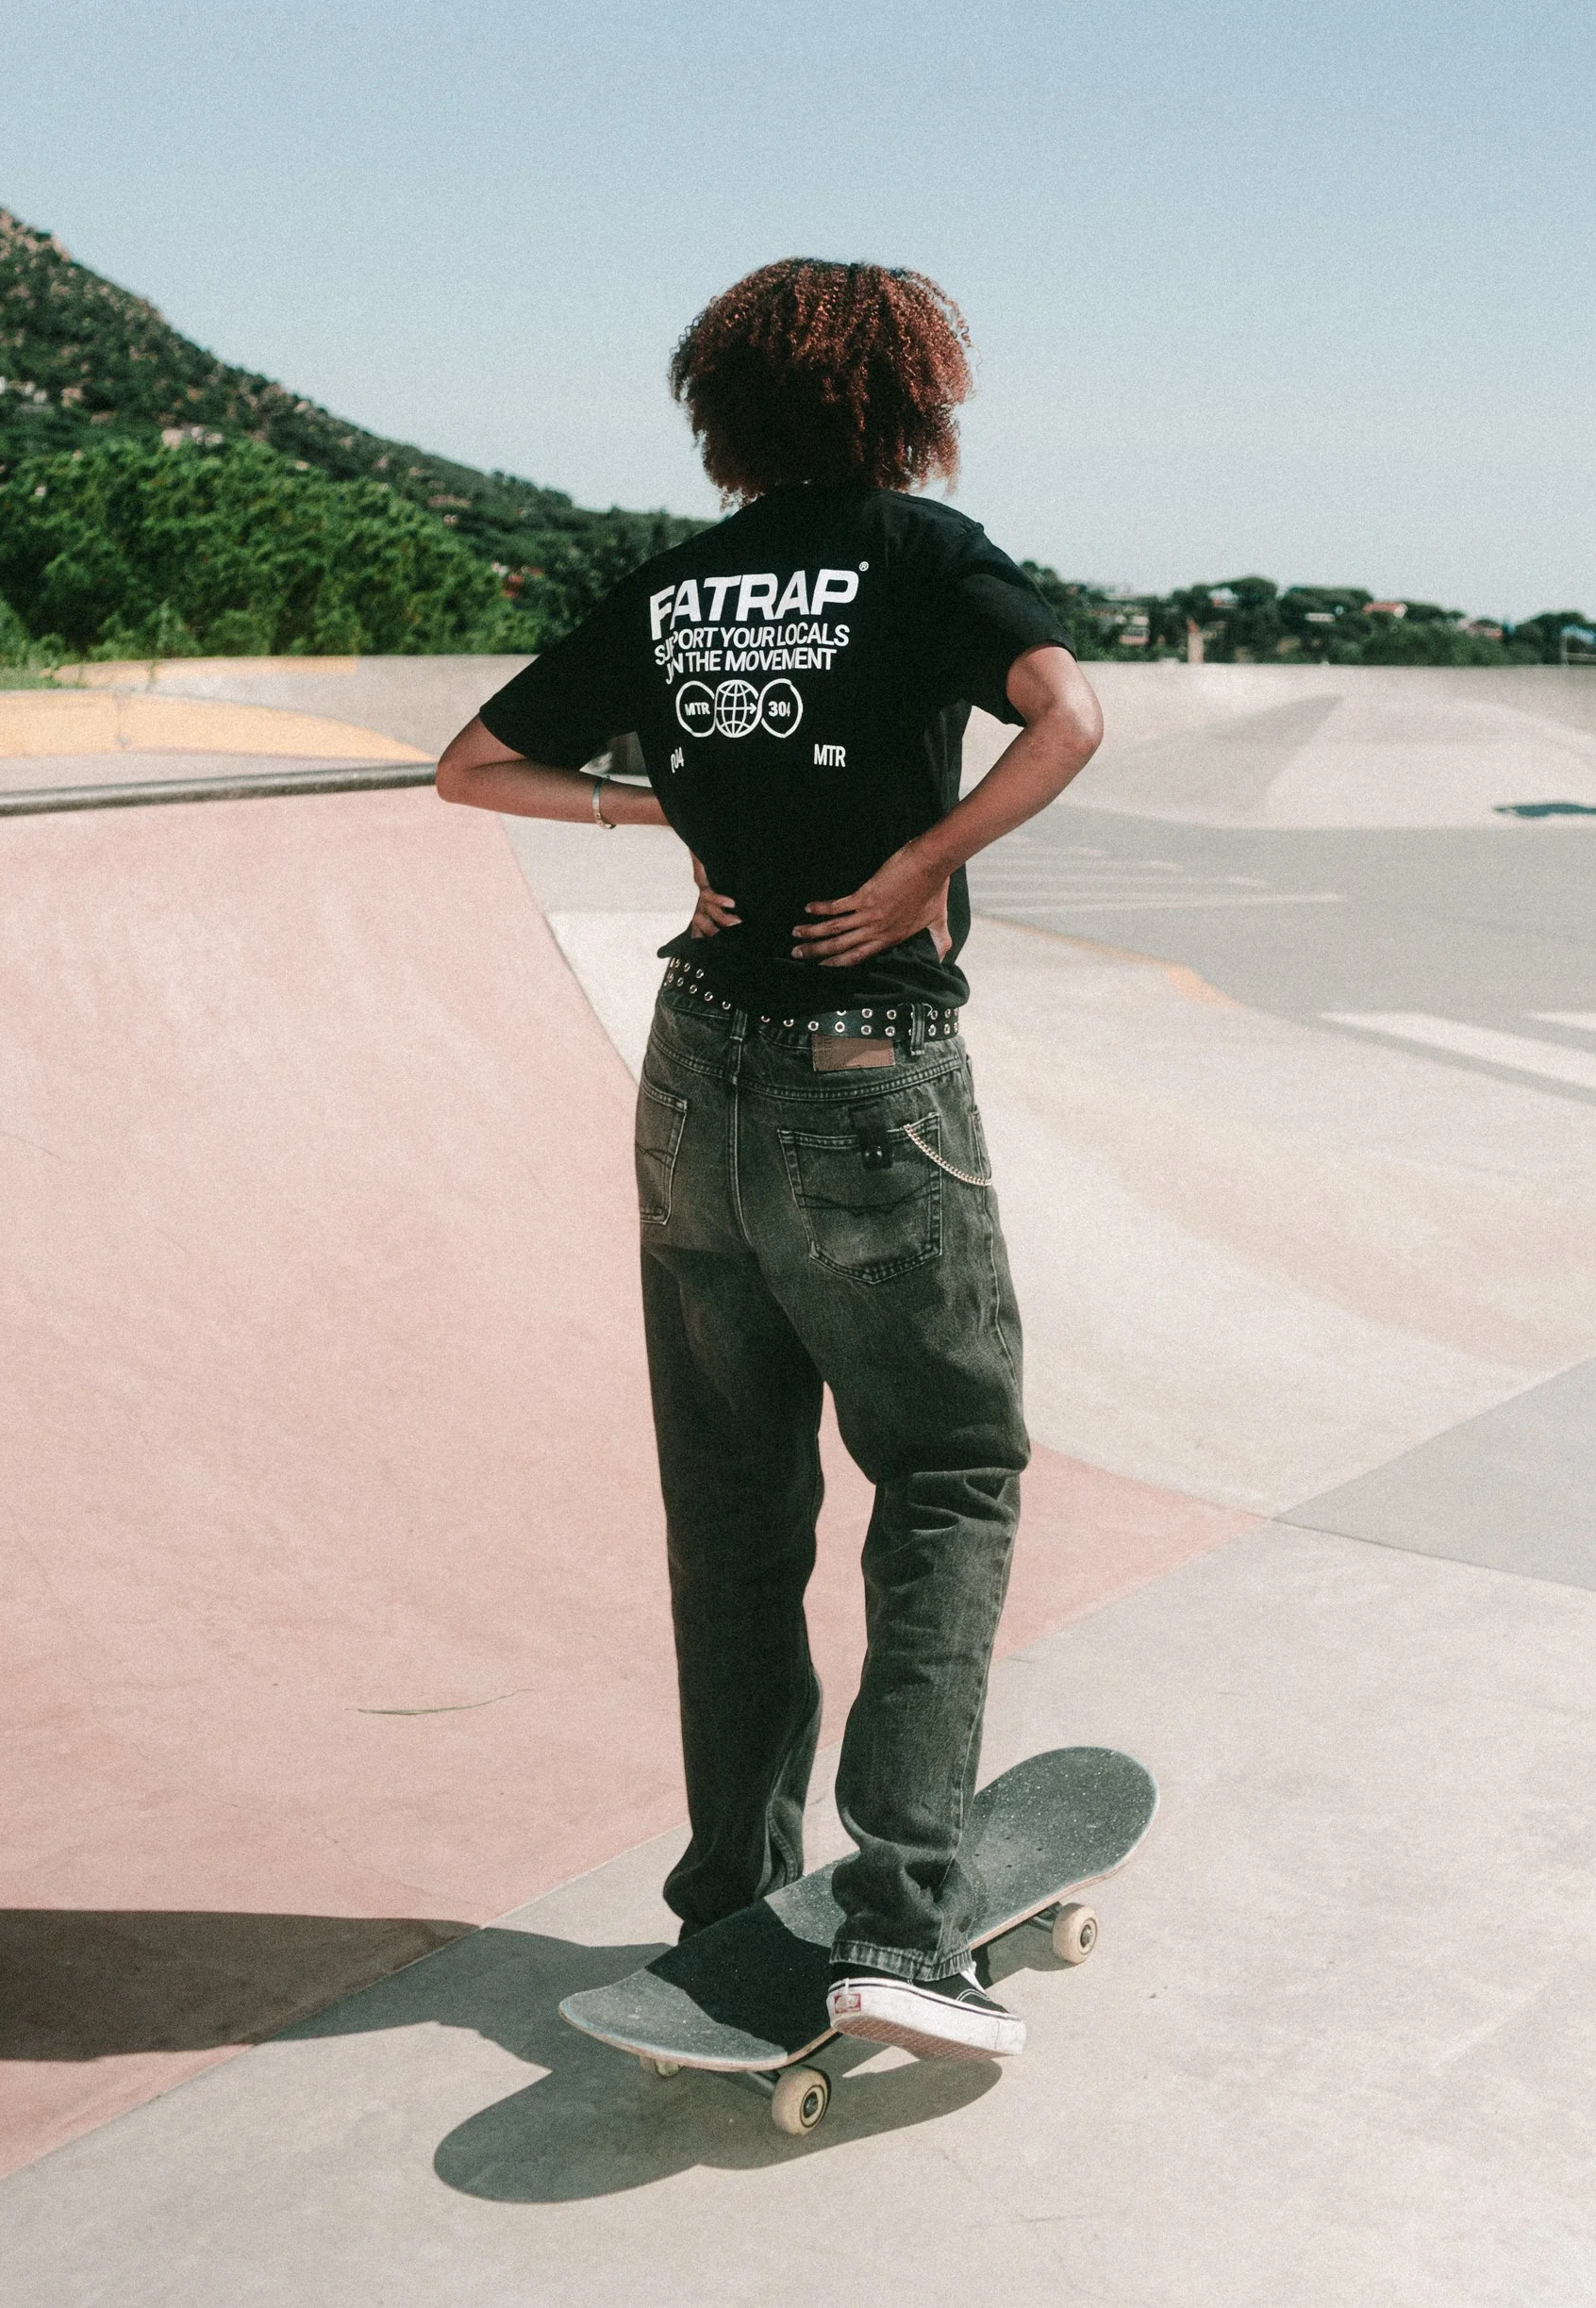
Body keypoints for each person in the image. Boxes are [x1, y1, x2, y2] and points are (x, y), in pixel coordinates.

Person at [436, 260, 1102, 2067]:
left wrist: (665, 812)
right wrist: (917, 865)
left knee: (733, 1503)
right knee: (950, 1468)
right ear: (917, 390)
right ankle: (900, 1925)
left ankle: (732, 1896)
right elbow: (1070, 717)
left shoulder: (679, 584)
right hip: (866, 1069)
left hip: (691, 1075)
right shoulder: (922, 549)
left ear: (724, 408)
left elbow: (472, 765)